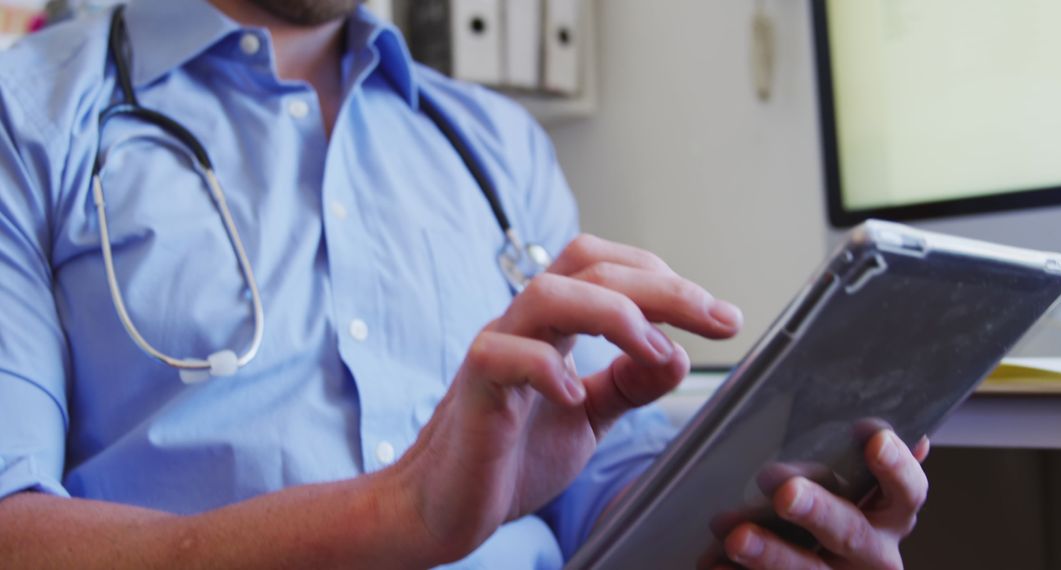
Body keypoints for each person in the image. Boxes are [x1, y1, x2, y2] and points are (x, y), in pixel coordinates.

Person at [0, 1, 929, 567]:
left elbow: (597, 479)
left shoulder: (496, 145)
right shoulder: (28, 117)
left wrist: (756, 518)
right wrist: (400, 513)